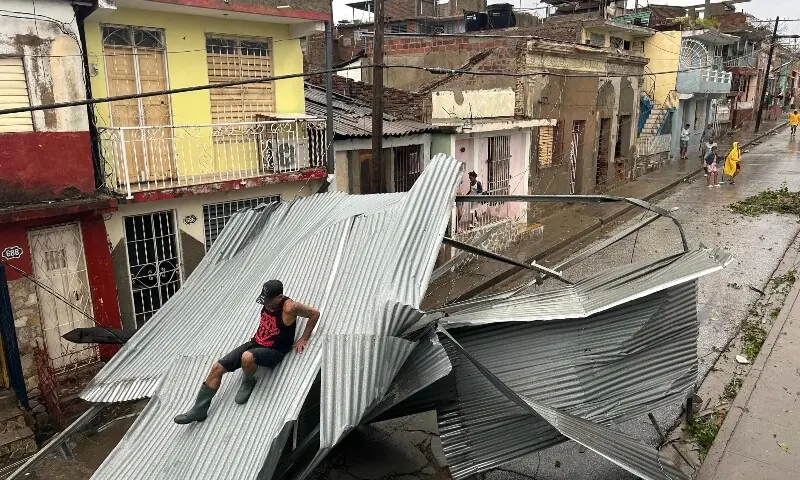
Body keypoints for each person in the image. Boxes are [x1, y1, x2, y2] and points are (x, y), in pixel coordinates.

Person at [174, 280, 320, 425]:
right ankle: (199, 410)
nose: (266, 304)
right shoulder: (267, 303)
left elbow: (314, 313)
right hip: (255, 343)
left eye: (270, 301)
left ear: (279, 297)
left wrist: (304, 338)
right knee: (216, 368)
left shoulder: (289, 307)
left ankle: (248, 380)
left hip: (275, 351)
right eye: (265, 301)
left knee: (247, 357)